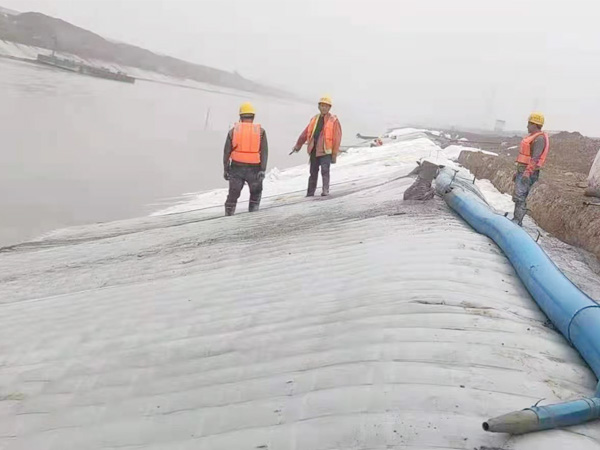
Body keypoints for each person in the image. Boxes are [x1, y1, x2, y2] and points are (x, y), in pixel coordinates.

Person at [223, 102, 268, 216]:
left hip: (237, 167)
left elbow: (226, 151)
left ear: (240, 116)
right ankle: (253, 214)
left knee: (233, 193)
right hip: (255, 168)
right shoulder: (260, 132)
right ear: (253, 117)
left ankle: (229, 214)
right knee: (255, 193)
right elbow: (264, 152)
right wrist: (263, 169)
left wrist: (226, 168)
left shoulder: (233, 131)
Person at [292, 96, 342, 196]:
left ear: (329, 108)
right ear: (319, 107)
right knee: (313, 173)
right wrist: (298, 145)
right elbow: (305, 133)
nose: (324, 108)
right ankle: (310, 193)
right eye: (322, 106)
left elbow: (337, 138)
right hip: (314, 150)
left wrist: (334, 154)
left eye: (326, 106)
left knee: (325, 171)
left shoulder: (334, 120)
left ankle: (325, 190)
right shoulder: (314, 119)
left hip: (325, 151)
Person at [512, 112, 550, 226]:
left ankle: (517, 221)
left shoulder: (539, 139)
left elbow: (535, 158)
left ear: (535, 124)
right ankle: (516, 219)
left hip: (528, 172)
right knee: (518, 195)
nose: (527, 126)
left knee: (520, 196)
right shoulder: (531, 137)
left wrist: (527, 173)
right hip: (522, 170)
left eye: (529, 124)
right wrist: (517, 171)